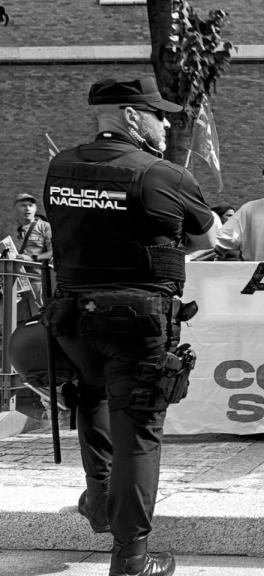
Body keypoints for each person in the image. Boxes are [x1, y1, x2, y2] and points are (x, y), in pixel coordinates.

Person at [41, 77, 218, 576]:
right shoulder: (162, 173)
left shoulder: (60, 166)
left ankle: (99, 502)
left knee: (90, 400)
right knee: (138, 434)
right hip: (138, 322)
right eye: (158, 114)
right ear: (130, 115)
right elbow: (212, 234)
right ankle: (132, 560)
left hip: (73, 317)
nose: (166, 123)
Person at [9, 192, 52, 308]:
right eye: (23, 205)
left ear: (35, 208)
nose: (27, 208)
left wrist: (31, 258)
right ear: (15, 208)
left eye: (31, 205)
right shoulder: (10, 228)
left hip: (37, 280)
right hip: (14, 280)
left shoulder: (45, 227)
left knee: (41, 315)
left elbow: (53, 253)